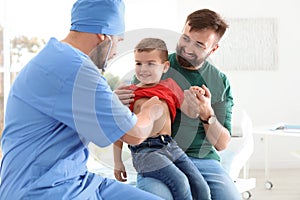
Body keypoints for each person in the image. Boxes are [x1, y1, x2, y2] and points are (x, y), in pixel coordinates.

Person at [0, 0, 165, 199]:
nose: (115, 52)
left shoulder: (56, 57)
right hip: (43, 189)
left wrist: (109, 103)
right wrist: (150, 110)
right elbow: (135, 134)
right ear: (103, 36)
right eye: (118, 42)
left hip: (76, 178)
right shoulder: (75, 69)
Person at [115, 9, 242, 200]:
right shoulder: (155, 65)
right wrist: (114, 101)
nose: (188, 48)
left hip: (203, 160)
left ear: (213, 49)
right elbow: (130, 120)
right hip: (156, 155)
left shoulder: (219, 81)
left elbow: (222, 143)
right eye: (185, 38)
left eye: (199, 44)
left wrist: (207, 113)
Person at [113, 38, 211, 200]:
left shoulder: (170, 86)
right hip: (145, 151)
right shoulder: (129, 93)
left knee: (200, 185)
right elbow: (119, 129)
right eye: (138, 63)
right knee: (180, 182)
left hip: (170, 146)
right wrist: (118, 162)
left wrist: (195, 96)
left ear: (165, 66)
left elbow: (190, 112)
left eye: (150, 63)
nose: (143, 69)